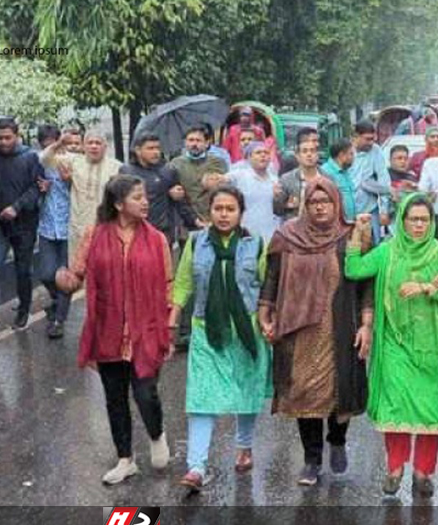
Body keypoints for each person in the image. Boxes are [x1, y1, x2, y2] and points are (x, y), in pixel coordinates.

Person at [344, 194, 438, 497]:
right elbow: (354, 270)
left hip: (433, 346)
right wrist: (358, 233)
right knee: (395, 404)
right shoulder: (387, 251)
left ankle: (423, 473)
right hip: (394, 342)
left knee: (430, 409)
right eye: (413, 219)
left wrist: (428, 287)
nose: (419, 225)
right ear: (402, 221)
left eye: (425, 219)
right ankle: (395, 468)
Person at [56, 175, 173, 485]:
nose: (145, 202)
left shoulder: (157, 239)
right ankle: (125, 459)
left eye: (145, 196)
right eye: (137, 197)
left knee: (146, 393)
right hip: (107, 328)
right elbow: (77, 274)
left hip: (146, 329)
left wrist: (169, 327)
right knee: (115, 398)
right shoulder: (94, 235)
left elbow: (168, 285)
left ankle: (157, 434)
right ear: (119, 204)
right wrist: (65, 281)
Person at [259, 177, 373, 486]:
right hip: (298, 329)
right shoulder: (287, 236)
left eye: (325, 201)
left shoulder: (352, 236)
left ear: (337, 203)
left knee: (340, 391)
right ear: (304, 205)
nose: (319, 207)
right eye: (312, 202)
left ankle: (337, 440)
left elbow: (366, 284)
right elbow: (272, 277)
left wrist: (366, 324)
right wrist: (265, 312)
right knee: (304, 394)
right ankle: (311, 459)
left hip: (340, 326)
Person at [169, 185, 273, 490]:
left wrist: (269, 320)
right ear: (209, 212)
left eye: (230, 209)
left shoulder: (256, 245)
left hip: (246, 330)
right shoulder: (196, 242)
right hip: (207, 330)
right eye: (218, 209)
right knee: (202, 397)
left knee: (247, 391)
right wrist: (172, 319)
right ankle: (196, 467)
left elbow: (267, 286)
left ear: (241, 213)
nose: (224, 215)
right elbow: (184, 282)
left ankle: (244, 446)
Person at [40, 129, 123, 254]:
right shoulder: (74, 161)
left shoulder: (117, 167)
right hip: (79, 228)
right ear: (84, 146)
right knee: (79, 263)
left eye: (98, 143)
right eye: (90, 143)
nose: (94, 146)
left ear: (105, 147)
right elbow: (44, 159)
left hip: (106, 226)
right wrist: (59, 143)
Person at [0, 118, 44, 330]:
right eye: (0, 138)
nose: (3, 142)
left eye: (7, 138)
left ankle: (24, 308)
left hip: (25, 223)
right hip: (1, 224)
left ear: (17, 136)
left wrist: (16, 207)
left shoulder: (30, 157)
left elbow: (37, 188)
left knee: (23, 269)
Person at [120, 131, 197, 247]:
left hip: (162, 232)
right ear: (138, 150)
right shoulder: (126, 172)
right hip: (135, 230)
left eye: (158, 148)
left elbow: (182, 203)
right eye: (150, 148)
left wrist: (194, 221)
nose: (156, 152)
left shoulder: (168, 171)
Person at [35, 125, 72, 338]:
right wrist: (42, 190)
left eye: (53, 142)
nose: (50, 147)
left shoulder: (71, 161)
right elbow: (40, 160)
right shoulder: (41, 162)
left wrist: (69, 181)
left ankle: (58, 320)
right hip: (47, 227)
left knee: (65, 277)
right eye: (45, 144)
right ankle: (58, 301)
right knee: (47, 274)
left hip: (69, 227)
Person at [168, 125, 228, 224]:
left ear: (207, 143)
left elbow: (223, 189)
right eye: (191, 140)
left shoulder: (217, 163)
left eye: (198, 140)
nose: (194, 144)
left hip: (212, 217)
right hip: (184, 218)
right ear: (185, 142)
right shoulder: (175, 164)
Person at [227, 141, 280, 242]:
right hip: (246, 232)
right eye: (258, 153)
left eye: (266, 153)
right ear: (249, 157)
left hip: (270, 232)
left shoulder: (275, 180)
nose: (263, 155)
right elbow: (218, 182)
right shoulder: (239, 176)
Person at [350, 120, 392, 242]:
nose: (371, 143)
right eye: (367, 139)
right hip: (348, 210)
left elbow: (384, 181)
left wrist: (384, 211)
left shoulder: (376, 151)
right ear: (356, 137)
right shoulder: (346, 151)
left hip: (370, 209)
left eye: (373, 139)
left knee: (373, 244)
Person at [274, 128, 325, 222]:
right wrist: (280, 200)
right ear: (297, 156)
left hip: (320, 227)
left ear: (317, 155)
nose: (309, 155)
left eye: (312, 151)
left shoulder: (327, 178)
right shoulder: (286, 180)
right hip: (294, 228)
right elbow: (277, 211)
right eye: (305, 151)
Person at [322, 138, 358, 224]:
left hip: (349, 222)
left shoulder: (346, 171)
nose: (353, 157)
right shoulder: (325, 172)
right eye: (351, 154)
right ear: (342, 155)